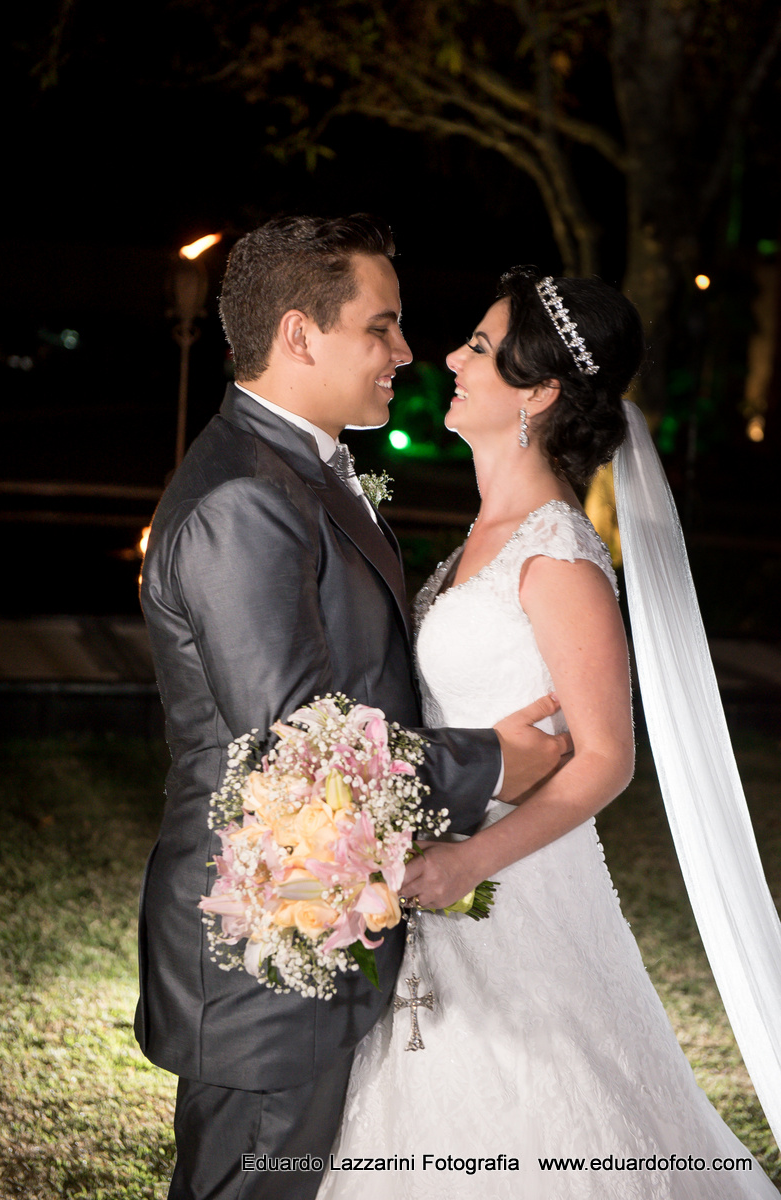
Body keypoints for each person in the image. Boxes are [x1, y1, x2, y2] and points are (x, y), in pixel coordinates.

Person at [318, 266, 780, 1198]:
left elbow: (606, 759)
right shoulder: (482, 537)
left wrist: (469, 862)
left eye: (480, 348)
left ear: (537, 393)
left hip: (516, 891)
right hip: (437, 879)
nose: (452, 360)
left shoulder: (557, 555)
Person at [135, 219, 569, 1200]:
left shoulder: (296, 469)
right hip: (265, 936)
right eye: (382, 327)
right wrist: (492, 762)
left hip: (317, 916)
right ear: (300, 335)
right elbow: (295, 754)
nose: (406, 353)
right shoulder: (244, 500)